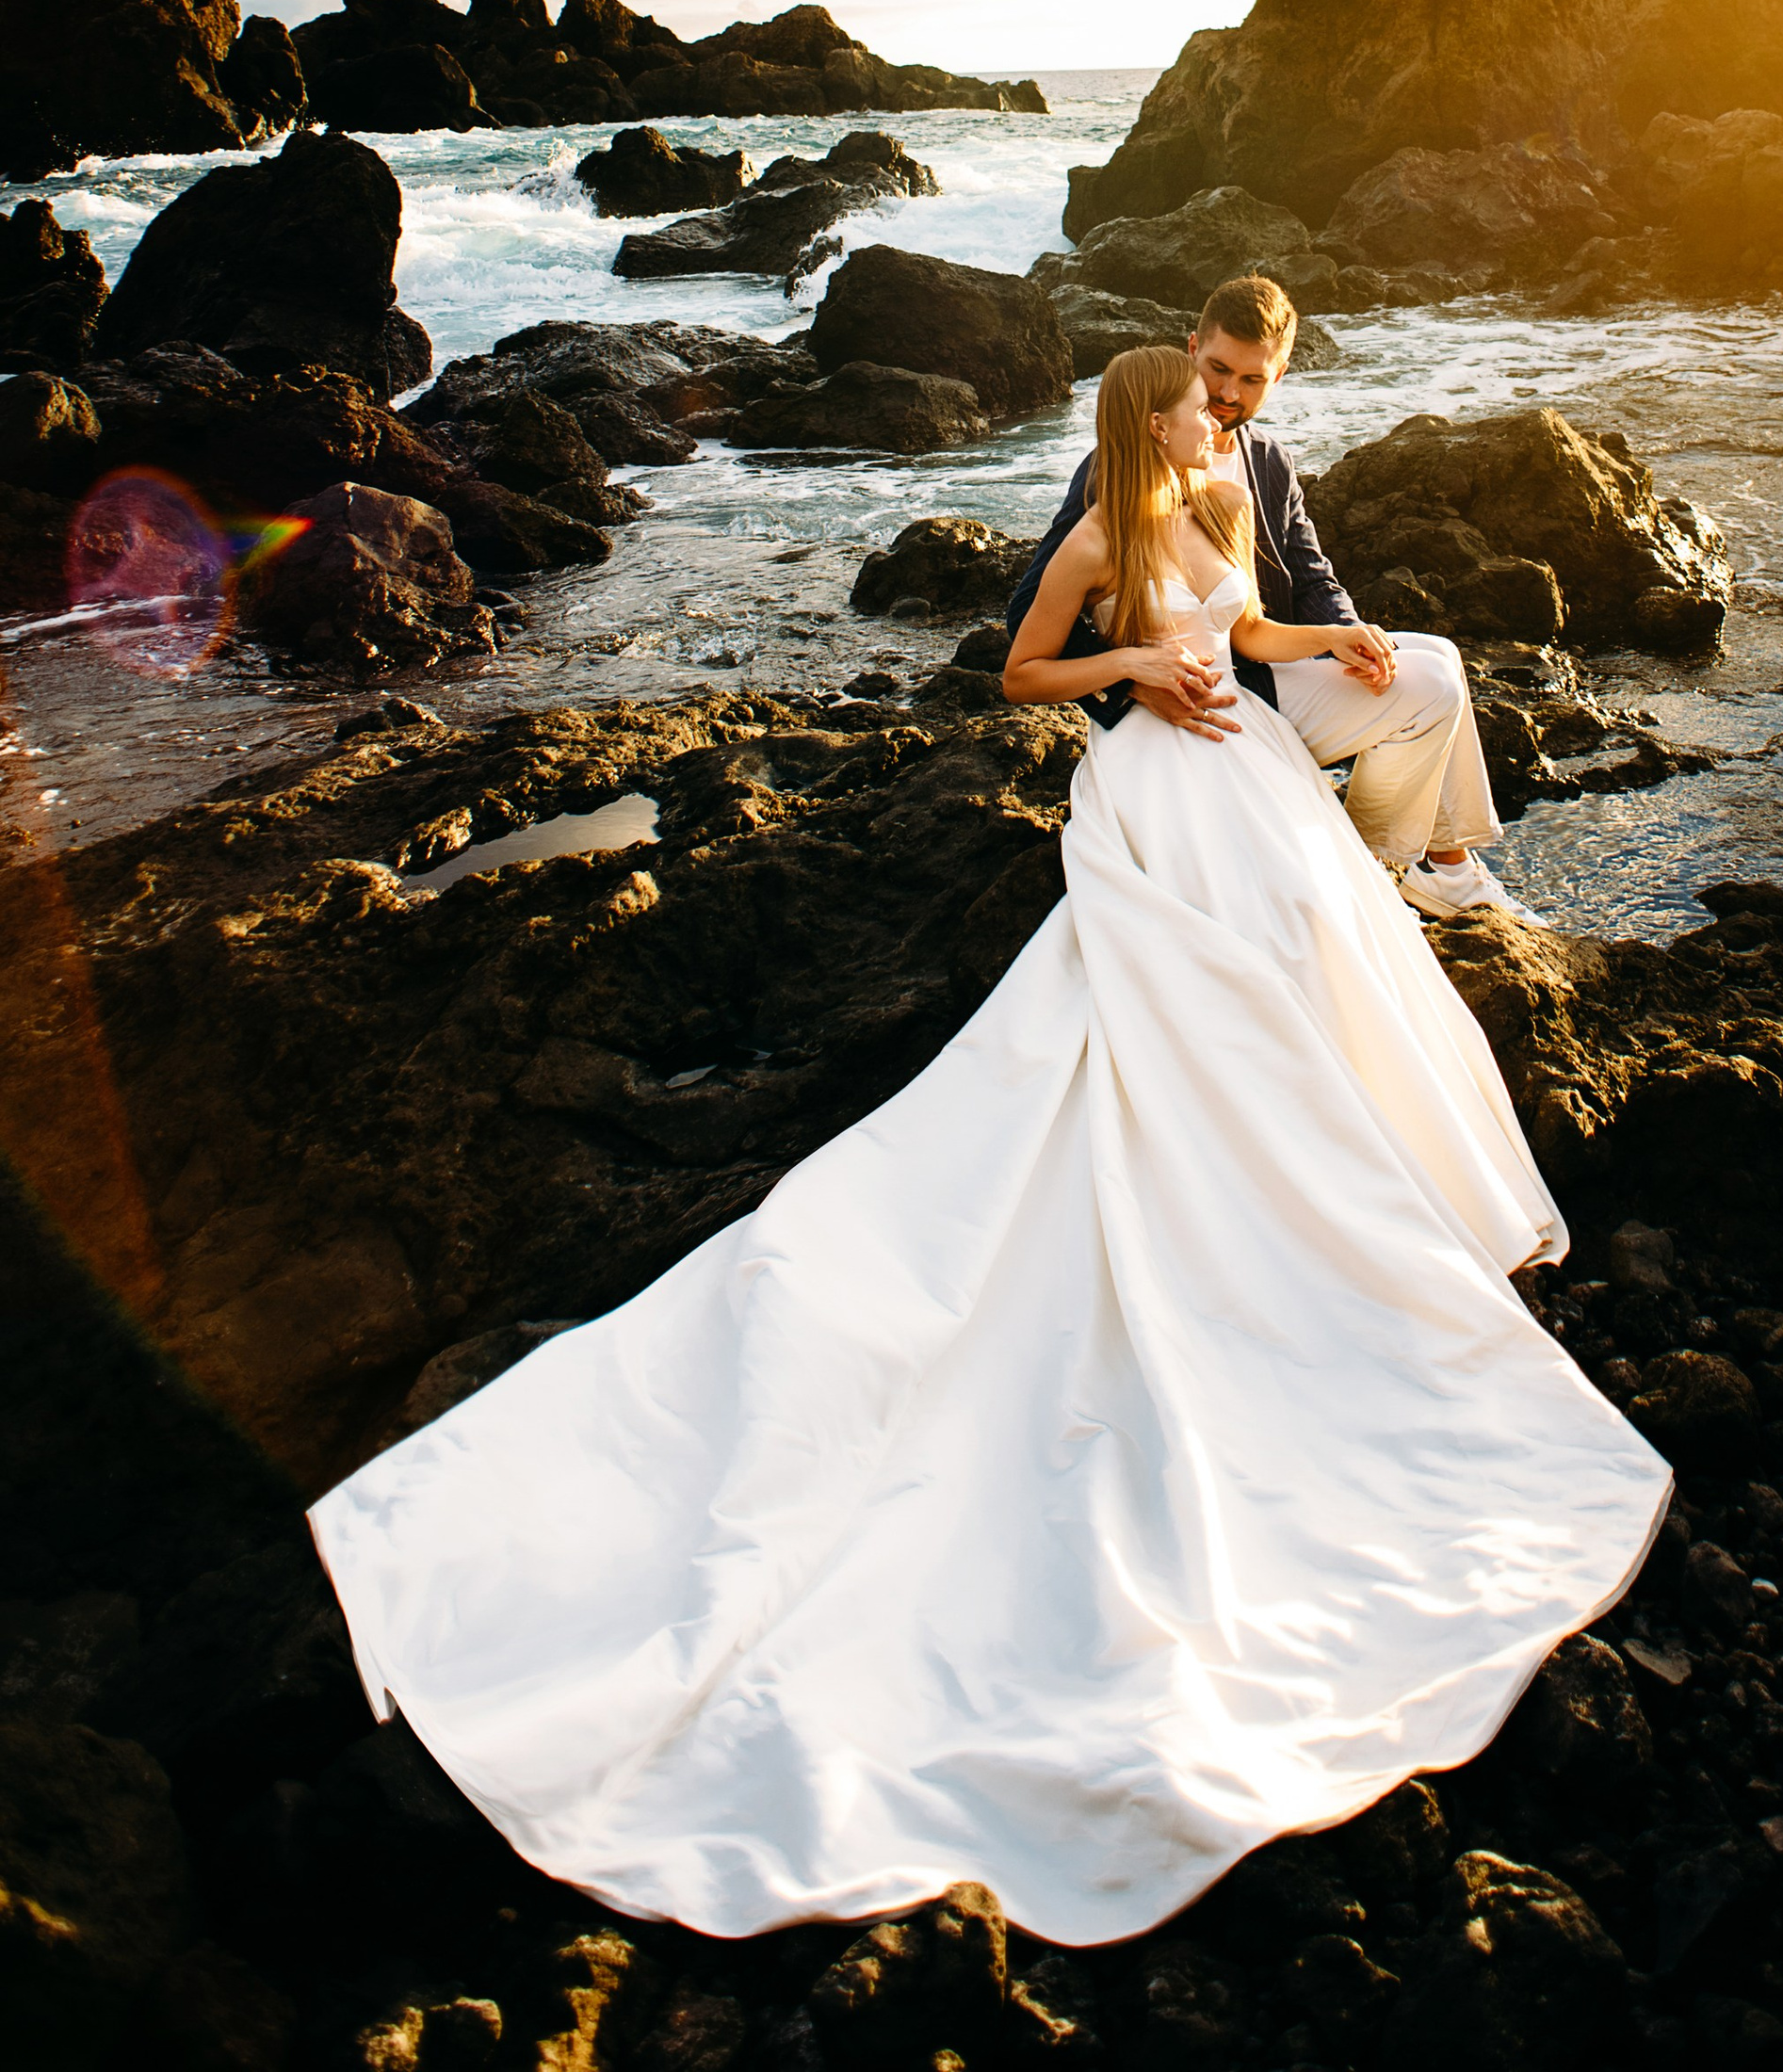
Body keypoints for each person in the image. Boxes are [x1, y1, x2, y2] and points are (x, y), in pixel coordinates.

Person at [306, 346, 1669, 1955]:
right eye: (1191, 401)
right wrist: (1133, 673)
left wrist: (1331, 641)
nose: (1211, 414)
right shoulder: (1100, 532)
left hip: (1251, 776)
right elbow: (1024, 675)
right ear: (1148, 417)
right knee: (1189, 1002)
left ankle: (1358, 1150)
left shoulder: (1225, 496)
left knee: (1322, 945)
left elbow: (1250, 634)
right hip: (1155, 781)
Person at [1005, 271, 1529, 921]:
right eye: (1218, 371)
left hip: (1260, 659)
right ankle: (1394, 865)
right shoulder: (1113, 475)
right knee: (1434, 683)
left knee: (1438, 658)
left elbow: (1309, 577)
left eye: (1251, 379)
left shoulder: (1266, 464)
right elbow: (1027, 614)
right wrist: (1133, 680)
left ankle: (1438, 864)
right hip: (1204, 694)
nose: (1229, 394)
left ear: (1277, 376)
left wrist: (1347, 637)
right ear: (1192, 350)